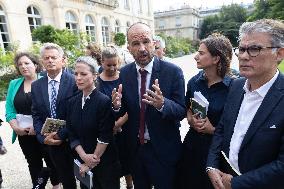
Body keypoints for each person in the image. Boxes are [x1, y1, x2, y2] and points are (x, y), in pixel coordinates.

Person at [207, 19, 284, 189]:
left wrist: (236, 184)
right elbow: (222, 129)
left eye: (254, 49)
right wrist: (211, 166)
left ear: (279, 54)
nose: (243, 56)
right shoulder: (235, 86)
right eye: (241, 49)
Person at [112, 22, 186, 189]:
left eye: (146, 41)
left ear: (154, 43)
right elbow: (124, 110)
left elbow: (181, 110)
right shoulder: (124, 73)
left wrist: (162, 104)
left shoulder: (173, 72)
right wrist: (116, 106)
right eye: (136, 44)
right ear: (129, 48)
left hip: (163, 150)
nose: (142, 48)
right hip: (136, 150)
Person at [176, 33, 234, 189]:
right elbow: (188, 107)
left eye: (201, 53)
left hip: (217, 153)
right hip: (192, 146)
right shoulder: (194, 81)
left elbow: (238, 129)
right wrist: (190, 120)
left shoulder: (235, 87)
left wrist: (212, 130)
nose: (195, 56)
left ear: (216, 59)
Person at [5, 52, 60, 188]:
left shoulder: (45, 81)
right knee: (33, 163)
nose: (23, 66)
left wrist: (38, 127)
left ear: (35, 65)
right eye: (20, 64)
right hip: (24, 134)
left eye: (27, 63)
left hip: (44, 131)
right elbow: (9, 109)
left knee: (52, 161)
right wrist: (16, 128)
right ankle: (38, 186)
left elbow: (52, 107)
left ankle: (56, 186)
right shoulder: (14, 84)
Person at [66, 56, 120, 189]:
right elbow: (71, 132)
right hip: (83, 161)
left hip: (105, 162)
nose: (78, 78)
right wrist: (83, 156)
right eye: (76, 74)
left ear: (95, 76)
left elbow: (105, 135)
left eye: (83, 74)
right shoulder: (72, 102)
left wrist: (90, 162)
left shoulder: (103, 101)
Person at [31, 43, 77, 189]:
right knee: (66, 179)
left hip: (75, 139)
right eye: (46, 58)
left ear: (62, 60)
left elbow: (76, 114)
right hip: (52, 143)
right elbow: (36, 115)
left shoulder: (75, 81)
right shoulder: (36, 86)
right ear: (42, 62)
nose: (50, 60)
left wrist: (60, 135)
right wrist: (43, 138)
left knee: (85, 180)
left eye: (53, 57)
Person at [97, 47, 133, 189]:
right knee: (111, 164)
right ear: (102, 62)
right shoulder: (97, 82)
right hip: (106, 131)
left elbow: (132, 106)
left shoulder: (125, 78)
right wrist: (109, 127)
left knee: (127, 160)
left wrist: (118, 124)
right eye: (108, 65)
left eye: (115, 64)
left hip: (125, 128)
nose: (112, 68)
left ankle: (130, 185)